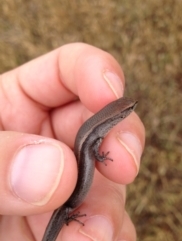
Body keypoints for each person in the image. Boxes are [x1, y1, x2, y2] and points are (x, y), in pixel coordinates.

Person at [0, 43, 145, 240]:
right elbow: (92, 146)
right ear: (116, 117)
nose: (130, 110)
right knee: (69, 212)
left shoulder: (99, 128)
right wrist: (100, 157)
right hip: (67, 204)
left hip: (67, 201)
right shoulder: (97, 132)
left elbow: (93, 143)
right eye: (128, 110)